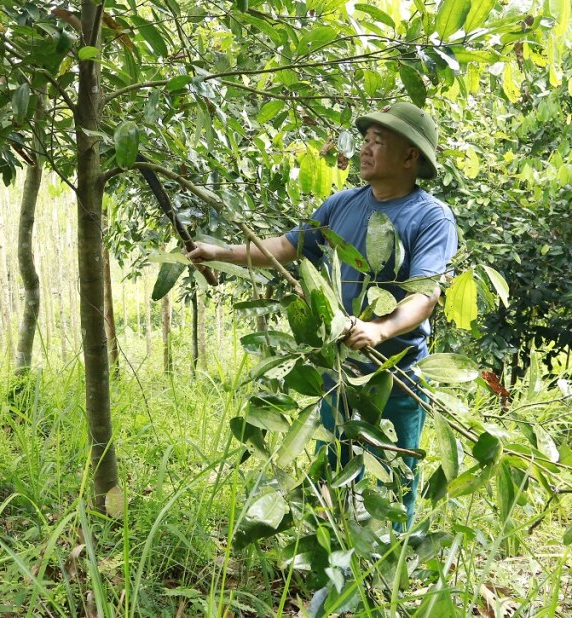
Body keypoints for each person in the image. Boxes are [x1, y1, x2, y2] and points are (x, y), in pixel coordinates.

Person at [187, 102, 458, 528]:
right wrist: (221, 252)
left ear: (410, 158)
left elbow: (426, 293)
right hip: (336, 372)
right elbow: (284, 248)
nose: (365, 150)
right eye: (366, 140)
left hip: (394, 377)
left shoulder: (430, 217)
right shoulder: (340, 206)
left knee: (391, 484)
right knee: (333, 475)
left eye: (378, 142)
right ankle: (334, 572)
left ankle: (387, 579)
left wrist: (381, 327)